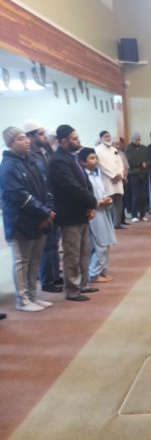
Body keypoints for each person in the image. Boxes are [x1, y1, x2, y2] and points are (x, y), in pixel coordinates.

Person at [0, 127, 55, 312]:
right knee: (22, 263)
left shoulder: (31, 160)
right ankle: (22, 300)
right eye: (21, 138)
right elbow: (20, 196)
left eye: (26, 138)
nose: (27, 141)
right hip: (20, 222)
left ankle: (33, 296)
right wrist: (44, 213)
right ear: (10, 144)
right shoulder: (8, 166)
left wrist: (48, 210)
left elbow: (45, 187)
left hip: (39, 219)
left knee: (34, 261)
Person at [48, 125, 98, 302]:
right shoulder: (58, 161)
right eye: (74, 139)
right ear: (63, 141)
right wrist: (91, 201)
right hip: (69, 214)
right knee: (72, 254)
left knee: (84, 251)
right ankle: (72, 289)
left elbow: (85, 182)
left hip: (82, 211)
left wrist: (91, 203)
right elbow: (71, 187)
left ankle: (83, 284)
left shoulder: (73, 157)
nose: (78, 141)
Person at [23, 119, 62, 294]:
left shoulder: (45, 151)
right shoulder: (30, 156)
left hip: (51, 203)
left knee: (53, 243)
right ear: (30, 137)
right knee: (45, 245)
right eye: (40, 134)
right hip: (41, 206)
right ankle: (46, 280)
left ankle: (54, 275)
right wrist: (45, 209)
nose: (44, 136)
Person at [78, 148, 116, 283]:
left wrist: (107, 200)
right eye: (91, 158)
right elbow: (86, 198)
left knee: (107, 242)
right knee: (99, 244)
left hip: (103, 211)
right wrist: (99, 202)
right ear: (83, 162)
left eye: (96, 158)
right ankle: (94, 273)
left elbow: (101, 192)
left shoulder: (96, 175)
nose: (95, 161)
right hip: (94, 213)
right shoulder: (83, 177)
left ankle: (103, 271)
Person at [95, 130, 126, 229]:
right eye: (106, 136)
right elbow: (101, 165)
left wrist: (120, 175)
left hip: (118, 179)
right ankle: (108, 225)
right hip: (108, 179)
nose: (108, 138)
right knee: (108, 203)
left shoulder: (114, 149)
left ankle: (117, 224)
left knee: (119, 202)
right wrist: (113, 176)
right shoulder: (97, 150)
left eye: (109, 136)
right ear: (101, 138)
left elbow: (120, 163)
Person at [125, 132, 149, 222]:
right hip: (134, 174)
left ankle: (142, 215)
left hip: (144, 174)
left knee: (144, 195)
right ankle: (134, 215)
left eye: (139, 139)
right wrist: (141, 164)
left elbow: (148, 159)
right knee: (136, 196)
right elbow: (130, 162)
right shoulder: (128, 149)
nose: (138, 141)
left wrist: (146, 163)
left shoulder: (144, 148)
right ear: (132, 140)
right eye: (136, 140)